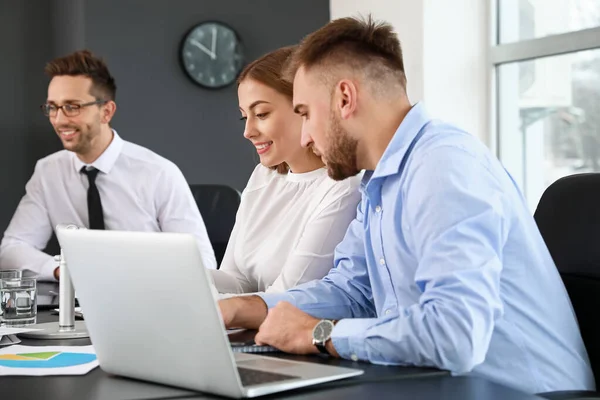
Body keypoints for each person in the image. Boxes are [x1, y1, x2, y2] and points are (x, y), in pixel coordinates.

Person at [217, 17, 595, 394]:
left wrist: (318, 333)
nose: (306, 135)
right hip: (442, 384)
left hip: (523, 392)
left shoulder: (443, 167)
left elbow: (454, 334)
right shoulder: (378, 182)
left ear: (344, 99)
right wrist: (245, 307)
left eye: (305, 113)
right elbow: (351, 291)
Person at [0, 50, 216, 281]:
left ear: (106, 111)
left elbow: (202, 262)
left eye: (72, 107)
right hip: (76, 307)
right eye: (53, 107)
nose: (60, 119)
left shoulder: (158, 173)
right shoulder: (48, 172)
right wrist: (62, 270)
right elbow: (12, 249)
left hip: (147, 297)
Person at [210, 47, 361, 295]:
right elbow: (236, 277)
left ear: (304, 108)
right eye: (243, 117)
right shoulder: (264, 175)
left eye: (261, 114)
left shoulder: (343, 186)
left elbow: (288, 296)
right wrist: (184, 277)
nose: (247, 131)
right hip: (255, 328)